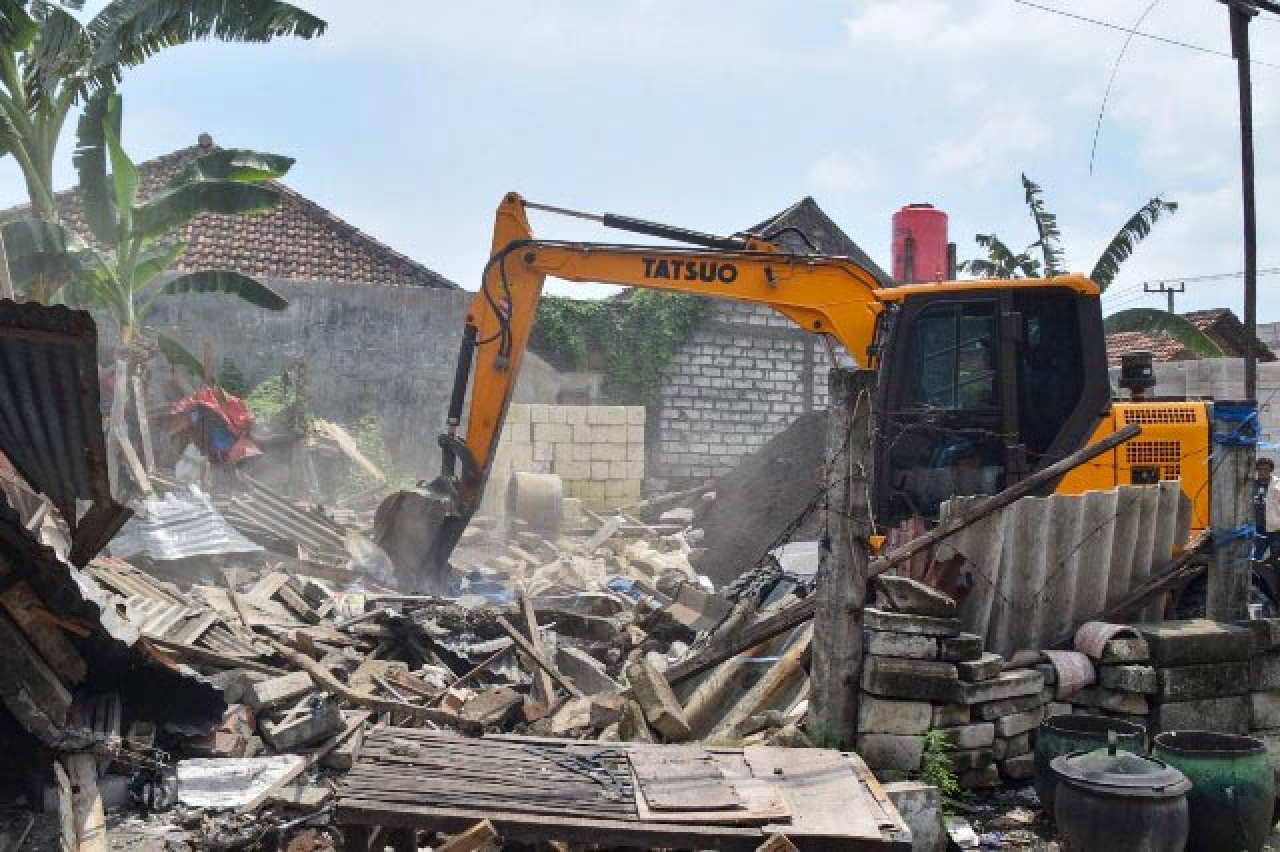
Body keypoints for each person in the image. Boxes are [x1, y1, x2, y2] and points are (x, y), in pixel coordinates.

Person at [1254, 458, 1280, 563]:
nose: (1262, 472)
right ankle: (1256, 573)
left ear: (1271, 470)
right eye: (1260, 469)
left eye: (1265, 469)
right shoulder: (1252, 485)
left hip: (1275, 528)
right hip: (1258, 526)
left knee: (1276, 555)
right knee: (1256, 555)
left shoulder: (1277, 485)